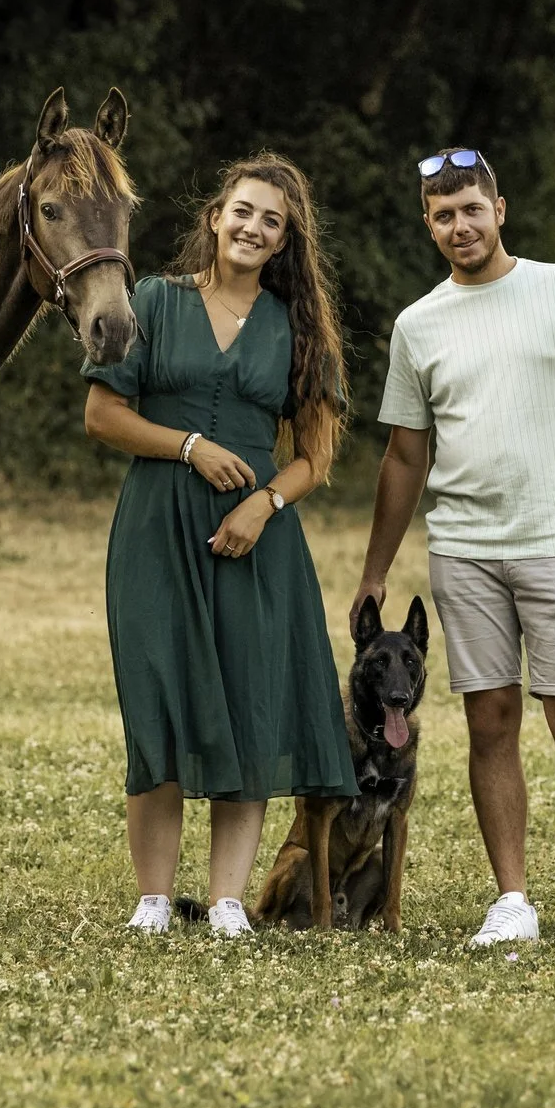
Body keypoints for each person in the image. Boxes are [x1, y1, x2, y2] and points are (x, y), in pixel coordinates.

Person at [354, 147, 555, 953]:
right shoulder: (418, 325)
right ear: (429, 226)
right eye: (443, 215)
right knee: (490, 722)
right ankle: (512, 899)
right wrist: (376, 569)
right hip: (465, 551)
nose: (460, 226)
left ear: (500, 209)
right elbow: (404, 456)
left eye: (471, 209)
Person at [84, 154, 357, 939]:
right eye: (243, 211)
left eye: (272, 221)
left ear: (284, 242)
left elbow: (315, 456)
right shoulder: (154, 300)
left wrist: (264, 505)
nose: (253, 227)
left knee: (248, 703)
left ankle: (228, 899)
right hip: (155, 531)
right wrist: (190, 446)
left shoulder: (297, 327)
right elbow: (102, 414)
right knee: (158, 704)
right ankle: (153, 898)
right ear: (215, 217)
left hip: (255, 541)